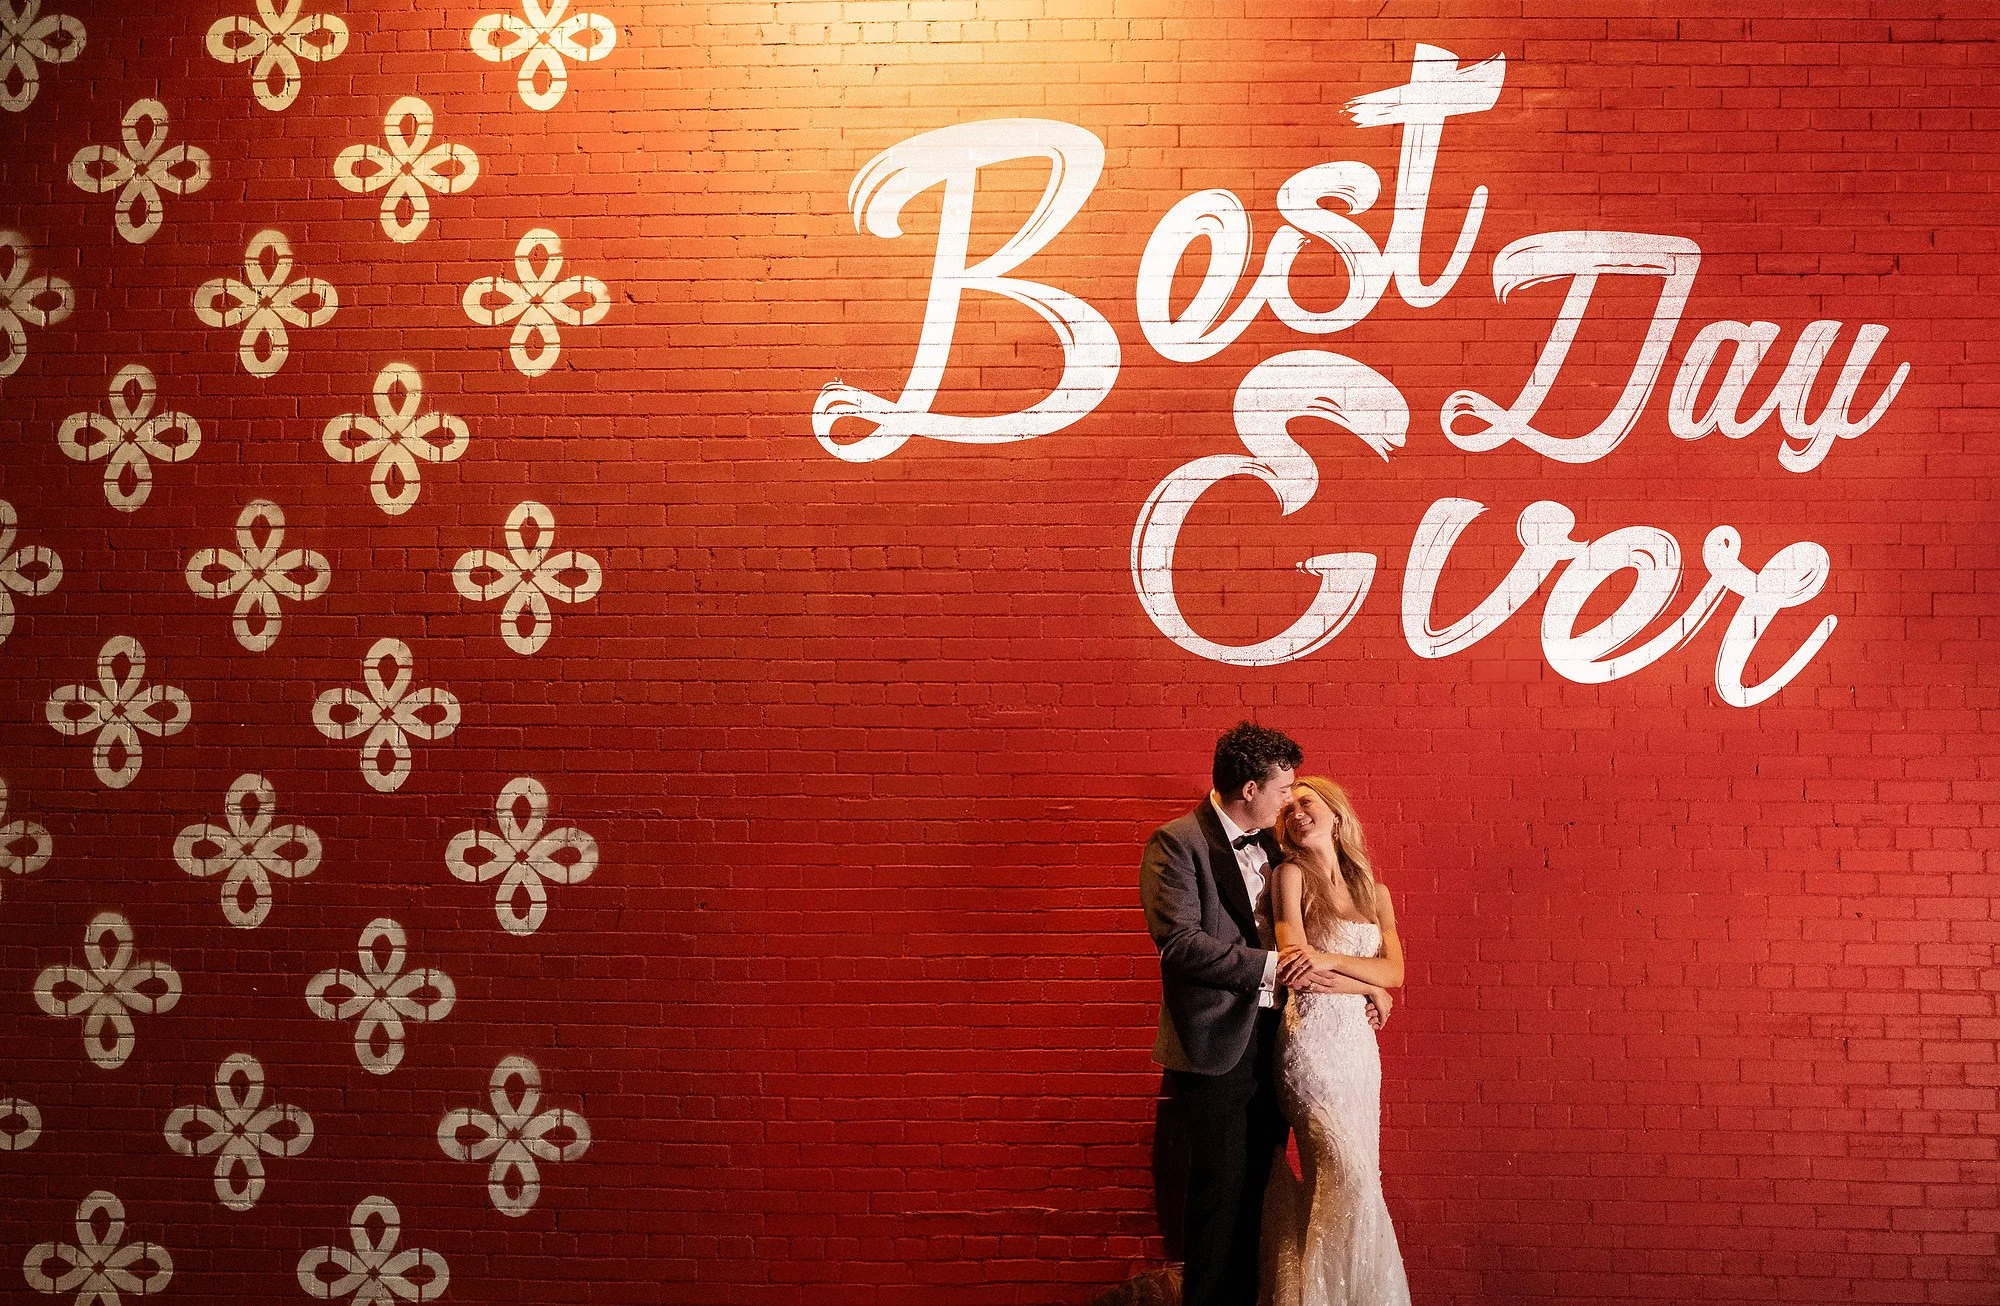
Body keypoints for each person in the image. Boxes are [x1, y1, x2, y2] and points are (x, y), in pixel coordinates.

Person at [1141, 722, 1353, 1306]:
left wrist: (1368, 986)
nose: (1292, 800)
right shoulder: (1177, 842)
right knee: (1218, 1196)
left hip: (1281, 1042)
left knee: (1261, 1191)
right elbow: (1179, 944)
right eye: (1285, 790)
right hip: (1214, 1046)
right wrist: (1271, 967)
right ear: (1250, 789)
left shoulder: (1278, 844)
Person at [1261, 776, 1409, 1306]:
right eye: (1288, 809)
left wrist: (1354, 971)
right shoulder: (1290, 876)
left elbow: (1395, 971)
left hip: (1358, 1054)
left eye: (1307, 804)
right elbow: (1296, 967)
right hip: (1311, 1047)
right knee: (1346, 1172)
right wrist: (1366, 982)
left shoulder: (1376, 892)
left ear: (1337, 815)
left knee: (1360, 1175)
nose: (1296, 813)